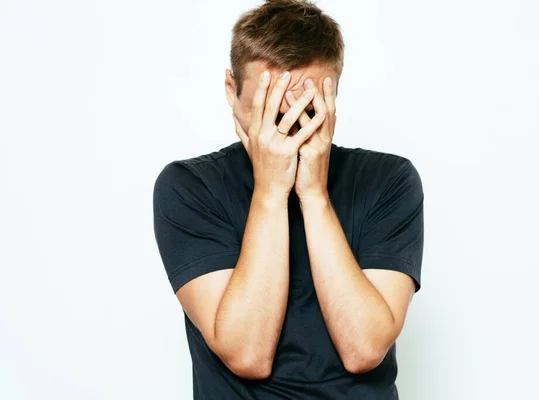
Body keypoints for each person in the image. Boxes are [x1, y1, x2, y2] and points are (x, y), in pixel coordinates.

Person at [152, 0, 424, 398]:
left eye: (307, 110)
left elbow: (364, 349)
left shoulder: (388, 180)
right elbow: (247, 354)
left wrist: (314, 194)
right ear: (232, 91)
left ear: (333, 100)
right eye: (271, 111)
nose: (289, 130)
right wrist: (270, 191)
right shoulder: (190, 186)